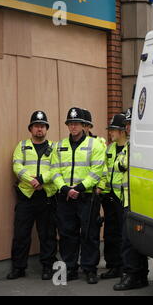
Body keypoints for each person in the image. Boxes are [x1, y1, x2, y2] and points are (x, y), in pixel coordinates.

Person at [50, 107, 105, 284]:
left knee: (89, 234)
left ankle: (90, 269)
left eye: (76, 123)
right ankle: (71, 268)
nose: (73, 127)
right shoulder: (59, 146)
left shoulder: (95, 144)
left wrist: (79, 188)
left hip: (86, 197)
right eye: (70, 123)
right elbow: (54, 171)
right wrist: (65, 189)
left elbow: (97, 170)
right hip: (65, 198)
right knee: (67, 234)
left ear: (83, 125)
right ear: (67, 125)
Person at [8, 111, 58, 280]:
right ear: (31, 129)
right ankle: (18, 268)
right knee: (21, 234)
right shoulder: (21, 146)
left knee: (47, 234)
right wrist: (32, 181)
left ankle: (48, 267)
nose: (39, 129)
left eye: (42, 126)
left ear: (46, 129)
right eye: (36, 126)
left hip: (46, 197)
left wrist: (41, 180)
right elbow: (17, 166)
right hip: (26, 196)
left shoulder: (55, 148)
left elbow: (57, 169)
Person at [113, 107, 149, 290]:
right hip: (129, 198)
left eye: (130, 123)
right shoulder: (129, 144)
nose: (127, 127)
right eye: (126, 124)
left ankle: (132, 275)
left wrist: (123, 163)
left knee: (129, 240)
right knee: (134, 239)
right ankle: (141, 276)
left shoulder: (138, 144)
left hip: (137, 199)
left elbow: (125, 163)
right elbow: (119, 164)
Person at [97, 114, 127, 279]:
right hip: (109, 198)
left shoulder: (130, 148)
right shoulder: (109, 149)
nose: (110, 133)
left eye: (113, 130)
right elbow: (104, 171)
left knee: (123, 234)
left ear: (122, 131)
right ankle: (114, 265)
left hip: (123, 199)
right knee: (110, 233)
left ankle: (124, 267)